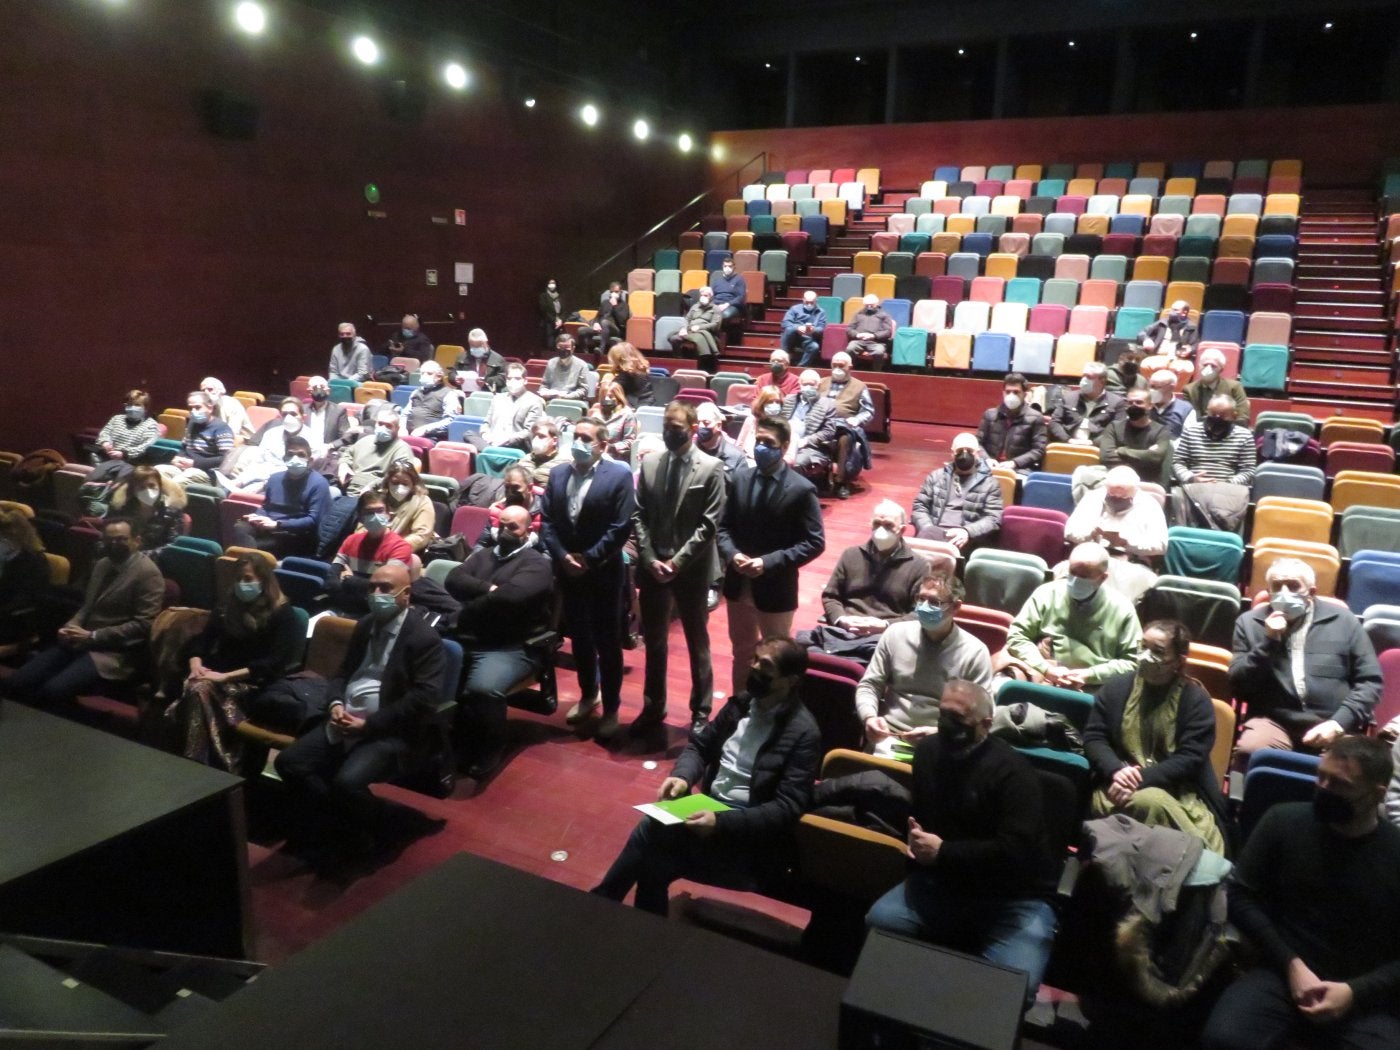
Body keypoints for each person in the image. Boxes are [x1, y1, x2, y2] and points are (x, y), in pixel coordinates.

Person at [865, 679, 1059, 1010]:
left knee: (1010, 990)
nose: (946, 725)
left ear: (985, 724)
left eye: (959, 718)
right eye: (943, 714)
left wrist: (943, 852)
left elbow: (1017, 853)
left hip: (1012, 898)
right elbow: (926, 817)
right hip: (944, 884)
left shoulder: (1015, 774)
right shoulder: (927, 753)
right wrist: (916, 840)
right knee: (879, 923)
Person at [593, 637, 820, 915]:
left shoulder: (804, 733)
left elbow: (787, 808)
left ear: (790, 680)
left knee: (651, 847)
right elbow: (700, 745)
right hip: (711, 809)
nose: (755, 668)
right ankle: (612, 912)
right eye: (755, 659)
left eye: (766, 666)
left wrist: (721, 822)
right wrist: (683, 777)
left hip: (746, 834)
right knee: (652, 849)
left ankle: (600, 905)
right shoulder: (741, 705)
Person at [1202, 736, 1400, 1050]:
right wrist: (1292, 965)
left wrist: (1354, 991)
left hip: (1364, 998)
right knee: (1223, 1038)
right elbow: (1240, 895)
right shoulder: (1283, 820)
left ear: (1376, 794)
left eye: (1340, 784)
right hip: (1282, 975)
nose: (1323, 788)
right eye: (1321, 776)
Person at [275, 562, 447, 857]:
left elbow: (424, 698)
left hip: (390, 730)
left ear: (406, 595)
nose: (376, 594)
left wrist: (369, 725)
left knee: (347, 782)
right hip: (345, 717)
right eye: (372, 588)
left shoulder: (424, 638)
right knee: (289, 764)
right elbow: (343, 673)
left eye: (385, 589)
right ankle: (339, 824)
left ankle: (376, 832)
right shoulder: (366, 625)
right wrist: (336, 703)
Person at [1083, 619, 1226, 853]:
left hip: (1176, 789)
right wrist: (1116, 771)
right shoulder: (1117, 687)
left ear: (1179, 661)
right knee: (1137, 801)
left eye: (1157, 651)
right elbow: (1094, 737)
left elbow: (1189, 759)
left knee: (1146, 801)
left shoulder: (1195, 700)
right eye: (1143, 647)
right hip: (1115, 783)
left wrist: (1138, 779)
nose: (1146, 656)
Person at [1229, 558, 1382, 772]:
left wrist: (1338, 723)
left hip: (1333, 721)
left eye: (1293, 586)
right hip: (1274, 721)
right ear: (1268, 590)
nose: (1284, 593)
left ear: (1311, 592)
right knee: (1252, 751)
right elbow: (1239, 685)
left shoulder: (1344, 621)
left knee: (1347, 769)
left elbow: (1370, 682)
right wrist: (1269, 642)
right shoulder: (1249, 622)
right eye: (1277, 586)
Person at [632, 401, 726, 736]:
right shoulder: (652, 462)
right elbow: (639, 515)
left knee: (696, 641)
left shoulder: (711, 467)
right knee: (654, 641)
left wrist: (677, 562)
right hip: (654, 566)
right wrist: (649, 558)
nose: (671, 433)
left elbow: (709, 524)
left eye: (677, 428)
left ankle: (700, 711)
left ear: (691, 429)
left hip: (692, 570)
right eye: (667, 427)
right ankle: (652, 706)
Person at [539, 416, 636, 740]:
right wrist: (563, 557)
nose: (578, 442)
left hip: (604, 571)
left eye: (586, 438)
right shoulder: (558, 473)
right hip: (568, 569)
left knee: (608, 642)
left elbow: (620, 527)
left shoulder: (619, 475)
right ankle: (587, 694)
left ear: (603, 445)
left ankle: (611, 708)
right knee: (579, 637)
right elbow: (548, 522)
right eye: (575, 435)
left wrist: (589, 559)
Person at [0, 519, 163, 707]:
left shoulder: (149, 575)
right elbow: (87, 606)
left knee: (52, 691)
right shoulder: (102, 564)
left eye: (121, 539)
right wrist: (71, 626)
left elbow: (143, 625)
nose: (114, 544)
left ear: (137, 541)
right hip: (79, 641)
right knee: (18, 681)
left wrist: (93, 635)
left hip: (113, 652)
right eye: (109, 539)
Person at [445, 504, 555, 778]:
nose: (504, 531)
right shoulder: (482, 554)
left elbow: (510, 598)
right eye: (501, 525)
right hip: (467, 636)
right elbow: (453, 578)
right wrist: (489, 590)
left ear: (527, 531)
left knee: (483, 689)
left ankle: (491, 747)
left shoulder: (536, 564)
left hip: (510, 646)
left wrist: (467, 606)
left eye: (512, 527)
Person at [164, 554, 302, 772]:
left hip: (254, 683)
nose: (242, 584)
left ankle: (196, 762)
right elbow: (202, 640)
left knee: (197, 689)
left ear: (264, 580)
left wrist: (226, 677)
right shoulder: (228, 605)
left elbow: (275, 662)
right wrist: (195, 663)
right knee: (197, 685)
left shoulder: (283, 613)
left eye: (248, 579)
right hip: (217, 675)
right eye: (238, 579)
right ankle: (209, 764)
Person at [718, 416, 825, 693]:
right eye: (759, 441)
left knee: (775, 658)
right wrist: (733, 554)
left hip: (776, 587)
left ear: (784, 445)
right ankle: (739, 709)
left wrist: (768, 562)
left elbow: (814, 542)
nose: (761, 447)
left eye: (769, 443)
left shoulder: (801, 489)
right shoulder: (741, 479)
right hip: (738, 582)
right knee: (741, 652)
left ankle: (772, 713)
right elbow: (724, 528)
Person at [1006, 542, 1143, 688]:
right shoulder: (1047, 593)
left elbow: (1132, 662)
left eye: (1084, 576)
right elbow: (1017, 636)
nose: (1075, 581)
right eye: (1072, 572)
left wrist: (1090, 675)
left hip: (1095, 687)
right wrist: (1046, 669)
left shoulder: (1122, 609)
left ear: (1102, 578)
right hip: (1044, 676)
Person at [806, 500, 927, 665]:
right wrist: (841, 619)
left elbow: (920, 613)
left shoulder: (919, 566)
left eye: (888, 525)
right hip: (844, 631)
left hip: (886, 637)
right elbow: (830, 595)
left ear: (902, 530)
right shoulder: (851, 555)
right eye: (877, 523)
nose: (881, 530)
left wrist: (884, 625)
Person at [1064, 465, 1167, 601]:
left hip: (1131, 562)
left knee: (1123, 588)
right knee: (1063, 574)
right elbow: (1069, 532)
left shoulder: (1149, 505)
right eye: (1112, 494)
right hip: (1091, 557)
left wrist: (1126, 542)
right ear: (1106, 488)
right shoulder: (1093, 498)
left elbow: (1160, 546)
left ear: (1135, 490)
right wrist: (1091, 533)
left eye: (1123, 495)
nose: (1117, 497)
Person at [231, 435, 330, 558]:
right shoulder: (274, 479)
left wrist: (277, 524)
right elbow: (267, 507)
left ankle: (250, 566)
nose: (295, 458)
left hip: (294, 535)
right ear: (285, 458)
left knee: (254, 547)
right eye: (290, 454)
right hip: (268, 527)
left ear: (309, 461)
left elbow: (313, 521)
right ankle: (251, 565)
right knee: (240, 528)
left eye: (300, 455)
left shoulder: (319, 484)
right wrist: (257, 516)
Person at [910, 432, 1003, 550]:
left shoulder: (990, 484)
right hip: (934, 534)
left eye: (969, 451)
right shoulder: (936, 477)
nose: (964, 455)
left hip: (964, 540)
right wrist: (927, 527)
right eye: (959, 451)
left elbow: (993, 518)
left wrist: (967, 532)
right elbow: (919, 506)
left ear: (978, 454)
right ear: (952, 453)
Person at [818, 351, 875, 499]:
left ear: (850, 367)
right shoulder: (821, 382)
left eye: (841, 365)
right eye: (834, 365)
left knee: (845, 438)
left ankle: (840, 482)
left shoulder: (860, 386)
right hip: (820, 423)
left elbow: (868, 411)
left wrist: (857, 420)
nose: (837, 368)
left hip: (844, 425)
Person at [1172, 394, 1257, 488]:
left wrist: (1228, 484)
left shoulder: (1244, 436)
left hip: (1230, 489)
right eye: (1213, 414)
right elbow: (1178, 462)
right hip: (1193, 486)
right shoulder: (1191, 430)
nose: (1217, 418)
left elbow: (1248, 470)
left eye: (1223, 415)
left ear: (1234, 415)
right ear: (1207, 412)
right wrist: (1191, 478)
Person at [1097, 385, 1173, 488]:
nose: (1133, 406)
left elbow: (1156, 457)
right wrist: (1144, 457)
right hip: (1116, 478)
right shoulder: (1114, 426)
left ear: (1150, 405)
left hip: (1146, 481)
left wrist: (1122, 451)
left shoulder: (1161, 431)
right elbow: (1106, 456)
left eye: (1139, 402)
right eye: (1130, 403)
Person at [977, 372, 1047, 473]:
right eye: (1008, 392)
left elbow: (1038, 450)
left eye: (1016, 392)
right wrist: (987, 459)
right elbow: (977, 443)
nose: (1011, 396)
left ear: (1025, 394)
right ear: (1003, 393)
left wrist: (1014, 463)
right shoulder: (990, 414)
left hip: (1019, 470)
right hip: (989, 467)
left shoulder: (1036, 418)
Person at [0, 508, 51, 645]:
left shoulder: (35, 561)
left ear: (17, 535)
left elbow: (28, 598)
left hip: (18, 617)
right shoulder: (5, 557)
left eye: (3, 537)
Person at [337, 407, 414, 497]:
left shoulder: (402, 448)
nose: (383, 428)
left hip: (374, 494)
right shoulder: (365, 440)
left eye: (388, 426)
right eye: (380, 424)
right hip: (348, 487)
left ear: (397, 428)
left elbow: (399, 477)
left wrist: (373, 486)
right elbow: (348, 453)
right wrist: (343, 465)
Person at [109, 465, 188, 551]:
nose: (148, 491)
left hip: (155, 561)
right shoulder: (123, 509)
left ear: (160, 487)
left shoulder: (172, 512)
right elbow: (109, 538)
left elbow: (172, 546)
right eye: (141, 487)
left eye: (151, 485)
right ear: (133, 490)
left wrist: (141, 556)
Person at [1045, 361, 1123, 444]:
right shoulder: (1069, 398)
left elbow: (1117, 430)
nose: (1083, 380)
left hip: (1097, 449)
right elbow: (1054, 422)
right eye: (1083, 376)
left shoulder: (1116, 402)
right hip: (1067, 445)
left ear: (1102, 381)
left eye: (1089, 377)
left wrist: (1093, 442)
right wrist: (1068, 440)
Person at [474, 362, 545, 452]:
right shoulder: (498, 398)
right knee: (469, 434)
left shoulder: (534, 401)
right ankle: (491, 450)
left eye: (517, 378)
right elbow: (486, 423)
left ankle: (490, 451)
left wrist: (506, 440)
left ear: (525, 380)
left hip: (513, 444)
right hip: (491, 440)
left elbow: (529, 431)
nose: (513, 382)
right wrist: (485, 434)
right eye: (509, 379)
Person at [373, 461, 436, 555]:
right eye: (395, 482)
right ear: (387, 482)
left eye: (405, 484)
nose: (399, 487)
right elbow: (363, 527)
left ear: (413, 484)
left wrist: (391, 548)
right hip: (373, 549)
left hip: (405, 553)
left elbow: (421, 536)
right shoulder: (377, 499)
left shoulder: (422, 501)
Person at [784, 369, 839, 476]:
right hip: (784, 443)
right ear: (799, 384)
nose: (808, 387)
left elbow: (829, 431)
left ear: (818, 385)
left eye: (812, 384)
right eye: (805, 384)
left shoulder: (828, 404)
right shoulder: (788, 400)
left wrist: (807, 440)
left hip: (810, 447)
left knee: (796, 464)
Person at [174, 390, 235, 482]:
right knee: (158, 473)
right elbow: (184, 447)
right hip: (185, 466)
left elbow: (225, 458)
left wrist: (195, 463)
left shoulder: (221, 428)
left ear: (210, 408)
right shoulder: (191, 423)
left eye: (198, 407)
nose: (193, 411)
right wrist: (177, 457)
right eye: (190, 408)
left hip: (207, 472)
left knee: (177, 481)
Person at [1184, 346, 1251, 424]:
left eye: (1213, 366)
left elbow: (1243, 417)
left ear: (1221, 369)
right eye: (1205, 365)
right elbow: (1187, 418)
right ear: (1199, 366)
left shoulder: (1234, 387)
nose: (1208, 369)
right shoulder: (1189, 390)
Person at [94, 389, 160, 467]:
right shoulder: (116, 419)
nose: (132, 408)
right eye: (129, 404)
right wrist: (105, 442)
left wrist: (124, 454)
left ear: (145, 408)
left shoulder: (151, 425)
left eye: (137, 405)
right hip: (108, 456)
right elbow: (105, 432)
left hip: (131, 462)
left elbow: (145, 447)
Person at [1139, 300, 1199, 382]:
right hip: (1159, 356)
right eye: (1171, 310)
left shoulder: (1191, 327)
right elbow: (1142, 333)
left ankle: (1176, 393)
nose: (1171, 312)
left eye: (1175, 310)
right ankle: (1152, 389)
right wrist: (1146, 340)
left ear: (1184, 312)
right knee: (1145, 365)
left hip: (1180, 359)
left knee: (1187, 369)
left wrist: (1190, 350)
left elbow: (1196, 345)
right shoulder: (1162, 323)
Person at [668, 286, 725, 371]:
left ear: (711, 297)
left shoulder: (715, 309)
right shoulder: (695, 306)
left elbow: (715, 325)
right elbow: (687, 319)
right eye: (702, 295)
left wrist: (700, 327)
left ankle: (701, 367)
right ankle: (680, 361)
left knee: (700, 342)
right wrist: (684, 328)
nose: (703, 297)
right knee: (673, 338)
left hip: (705, 332)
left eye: (706, 295)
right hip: (690, 330)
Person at [302, 376, 354, 469]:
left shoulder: (338, 411)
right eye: (314, 388)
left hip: (327, 455)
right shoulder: (302, 409)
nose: (319, 390)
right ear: (309, 391)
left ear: (328, 390)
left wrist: (330, 446)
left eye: (322, 387)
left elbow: (347, 436)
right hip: (304, 453)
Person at [405, 360, 462, 440]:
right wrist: (401, 428)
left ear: (439, 376)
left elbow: (451, 420)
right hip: (408, 434)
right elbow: (405, 414)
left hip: (431, 437)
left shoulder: (449, 394)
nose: (424, 376)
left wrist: (426, 429)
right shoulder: (416, 392)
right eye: (422, 373)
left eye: (429, 373)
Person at [694, 401, 747, 475]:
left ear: (718, 426)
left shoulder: (736, 457)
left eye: (706, 423)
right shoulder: (688, 451)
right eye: (698, 422)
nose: (701, 426)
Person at [845, 293, 895, 369]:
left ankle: (877, 372)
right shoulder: (858, 314)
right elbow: (849, 329)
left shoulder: (884, 315)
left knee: (879, 351)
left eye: (871, 305)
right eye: (866, 305)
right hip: (859, 341)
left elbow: (887, 332)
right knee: (850, 348)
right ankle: (851, 370)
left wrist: (873, 336)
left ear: (877, 304)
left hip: (876, 342)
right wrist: (857, 335)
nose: (869, 307)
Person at [737, 385, 785, 461]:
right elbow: (739, 445)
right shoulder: (751, 420)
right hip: (745, 462)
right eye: (770, 402)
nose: (774, 405)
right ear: (762, 404)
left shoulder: (784, 426)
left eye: (777, 402)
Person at [200, 377, 254, 445]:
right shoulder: (204, 406)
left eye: (210, 389)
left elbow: (232, 433)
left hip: (243, 441)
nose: (206, 393)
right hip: (217, 439)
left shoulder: (232, 404)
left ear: (221, 391)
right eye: (203, 391)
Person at [781, 290, 827, 367]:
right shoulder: (794, 309)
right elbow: (785, 323)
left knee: (814, 347)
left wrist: (813, 330)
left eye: (812, 302)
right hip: (793, 336)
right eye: (807, 302)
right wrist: (797, 328)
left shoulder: (821, 312)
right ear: (803, 300)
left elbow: (821, 328)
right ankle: (783, 358)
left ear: (816, 301)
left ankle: (800, 368)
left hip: (808, 338)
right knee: (789, 329)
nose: (809, 304)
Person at [595, 381, 638, 463]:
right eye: (604, 397)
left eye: (611, 397)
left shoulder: (627, 415)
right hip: (595, 455)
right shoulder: (596, 413)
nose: (607, 399)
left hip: (615, 458)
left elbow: (630, 442)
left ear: (618, 397)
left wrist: (612, 447)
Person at [581, 284, 630, 357]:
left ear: (620, 292)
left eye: (616, 292)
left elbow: (622, 321)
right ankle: (585, 353)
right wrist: (596, 323)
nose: (614, 294)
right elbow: (598, 316)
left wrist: (615, 306)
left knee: (605, 322)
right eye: (612, 292)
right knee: (581, 330)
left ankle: (601, 349)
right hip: (602, 327)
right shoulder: (605, 303)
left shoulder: (624, 305)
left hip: (616, 329)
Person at [453, 328, 507, 393]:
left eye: (479, 346)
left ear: (486, 343)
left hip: (488, 392)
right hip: (466, 393)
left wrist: (486, 381)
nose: (476, 348)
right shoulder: (462, 357)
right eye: (473, 346)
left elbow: (503, 378)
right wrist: (455, 378)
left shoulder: (498, 359)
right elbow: (452, 373)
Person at [539, 333, 588, 401]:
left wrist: (566, 397)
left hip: (571, 401)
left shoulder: (582, 365)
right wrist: (544, 392)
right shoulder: (551, 362)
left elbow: (583, 390)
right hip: (552, 399)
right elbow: (544, 384)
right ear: (556, 347)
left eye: (566, 348)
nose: (563, 350)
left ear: (573, 349)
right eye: (560, 347)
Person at [1148, 368, 1193, 439]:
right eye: (1151, 386)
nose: (1152, 391)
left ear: (1171, 387)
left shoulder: (1186, 409)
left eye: (1158, 387)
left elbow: (1189, 437)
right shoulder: (1142, 406)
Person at [606, 342, 655, 407]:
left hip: (634, 411)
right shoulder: (643, 373)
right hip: (648, 408)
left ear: (617, 360)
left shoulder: (625, 376)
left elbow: (612, 389)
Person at [522, 418, 569, 484]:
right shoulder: (526, 459)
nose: (536, 439)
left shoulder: (564, 463)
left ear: (554, 441)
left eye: (541, 436)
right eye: (534, 436)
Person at [711, 257, 747, 327]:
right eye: (725, 266)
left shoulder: (739, 279)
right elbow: (712, 294)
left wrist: (727, 304)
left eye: (730, 266)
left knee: (723, 314)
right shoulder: (717, 280)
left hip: (731, 305)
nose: (727, 268)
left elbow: (741, 297)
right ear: (722, 267)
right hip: (716, 304)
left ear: (734, 267)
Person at [538, 278, 565, 349]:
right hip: (549, 323)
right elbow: (544, 311)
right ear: (547, 285)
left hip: (559, 323)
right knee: (550, 344)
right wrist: (554, 321)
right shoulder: (543, 296)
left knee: (559, 344)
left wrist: (561, 320)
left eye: (553, 283)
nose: (552, 285)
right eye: (550, 283)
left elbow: (563, 310)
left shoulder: (559, 296)